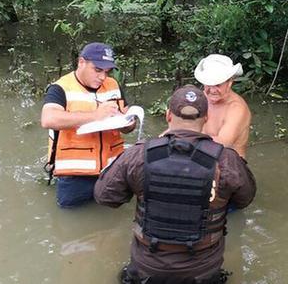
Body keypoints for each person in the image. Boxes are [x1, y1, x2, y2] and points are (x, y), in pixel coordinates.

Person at [94, 85, 256, 284]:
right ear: (206, 118)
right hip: (203, 274)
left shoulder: (138, 155)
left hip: (146, 271)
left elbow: (105, 196)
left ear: (168, 116)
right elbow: (244, 199)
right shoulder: (226, 160)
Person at [41, 42, 135, 208]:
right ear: (81, 62)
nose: (103, 77)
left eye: (107, 71)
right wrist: (96, 116)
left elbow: (128, 125)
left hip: (112, 170)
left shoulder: (113, 85)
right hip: (75, 177)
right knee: (71, 220)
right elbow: (49, 119)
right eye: (97, 70)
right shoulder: (60, 88)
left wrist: (127, 122)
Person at [193, 54, 251, 159]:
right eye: (208, 85)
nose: (212, 90)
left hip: (229, 164)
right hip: (202, 155)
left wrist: (185, 137)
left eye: (218, 85)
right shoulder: (202, 97)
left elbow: (223, 144)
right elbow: (180, 123)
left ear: (230, 82)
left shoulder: (236, 108)